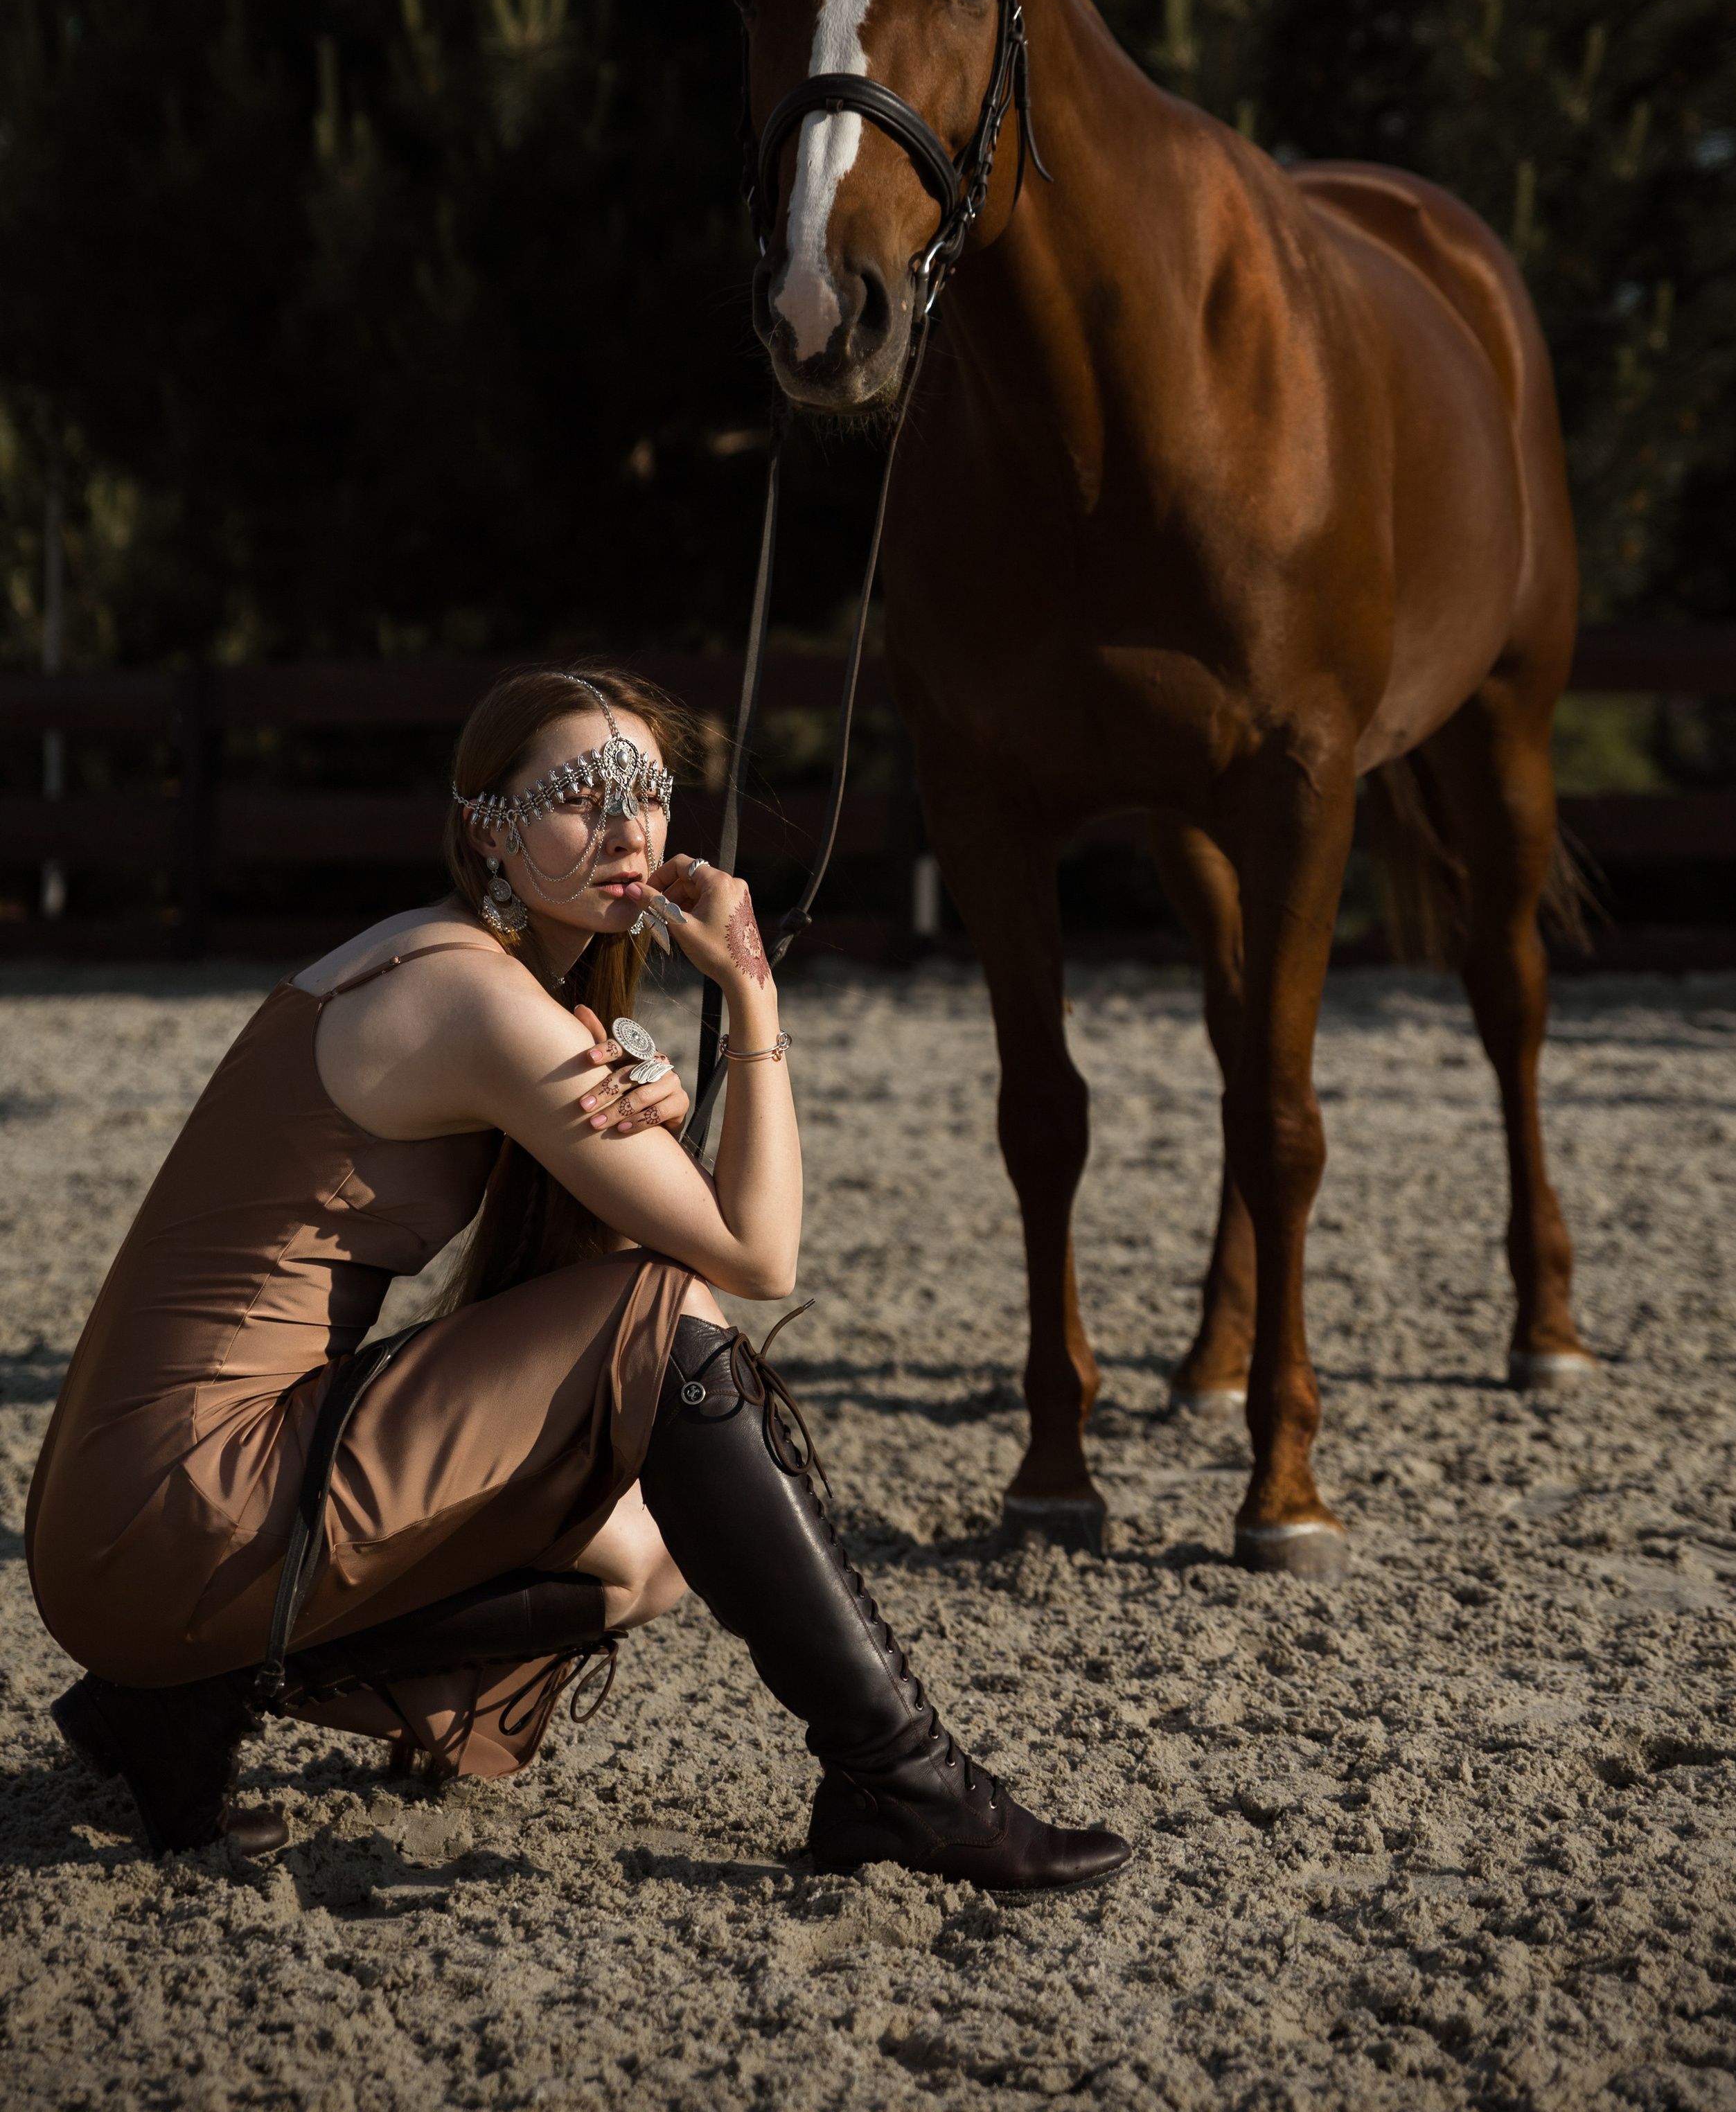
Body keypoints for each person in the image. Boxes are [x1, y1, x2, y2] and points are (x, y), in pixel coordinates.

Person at [27, 663, 1129, 1891]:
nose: (630, 831)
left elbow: (603, 1271)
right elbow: (759, 1257)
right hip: (177, 1503)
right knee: (664, 1316)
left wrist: (627, 1097)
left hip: (137, 1515)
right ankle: (903, 1779)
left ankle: (182, 1700)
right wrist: (750, 984)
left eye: (648, 791)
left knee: (637, 1558)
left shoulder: (461, 971)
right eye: (578, 794)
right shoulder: (472, 1001)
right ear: (485, 829)